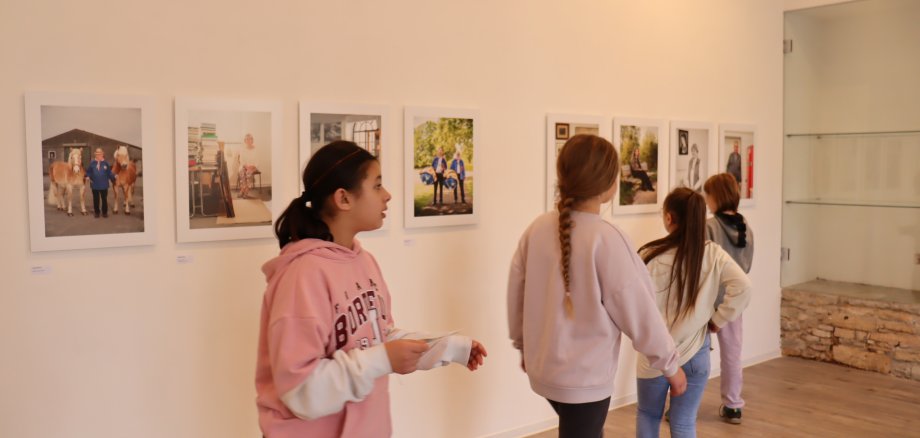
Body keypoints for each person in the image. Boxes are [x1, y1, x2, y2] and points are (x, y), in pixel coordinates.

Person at [255, 141, 487, 438]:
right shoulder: (302, 275)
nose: (388, 195)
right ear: (343, 199)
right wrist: (383, 360)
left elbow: (378, 335)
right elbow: (301, 391)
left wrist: (446, 347)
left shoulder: (363, 261)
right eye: (377, 186)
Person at [508, 134, 686, 438]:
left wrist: (523, 344)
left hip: (544, 371)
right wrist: (669, 365)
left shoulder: (537, 228)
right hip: (585, 381)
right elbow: (638, 309)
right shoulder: (607, 239)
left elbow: (517, 293)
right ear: (608, 185)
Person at [635, 187, 752, 438]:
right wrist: (719, 320)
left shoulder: (648, 254)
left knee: (648, 414)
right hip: (695, 353)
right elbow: (743, 287)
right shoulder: (712, 253)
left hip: (654, 354)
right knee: (684, 422)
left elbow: (634, 305)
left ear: (669, 218)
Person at [704, 173, 754, 425]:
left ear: (715, 197)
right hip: (734, 302)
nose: (706, 200)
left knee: (692, 354)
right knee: (732, 354)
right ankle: (733, 405)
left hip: (706, 301)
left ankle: (681, 405)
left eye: (707, 195)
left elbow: (701, 265)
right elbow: (746, 267)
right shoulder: (745, 224)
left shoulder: (709, 226)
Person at [84, 147, 115, 218]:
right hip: (94, 184)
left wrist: (114, 176)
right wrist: (87, 176)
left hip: (104, 185)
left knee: (104, 199)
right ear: (95, 155)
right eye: (97, 154)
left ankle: (104, 212)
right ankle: (97, 212)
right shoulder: (92, 163)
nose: (99, 156)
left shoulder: (106, 163)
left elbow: (109, 173)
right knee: (96, 199)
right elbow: (88, 172)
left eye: (100, 154)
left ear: (102, 154)